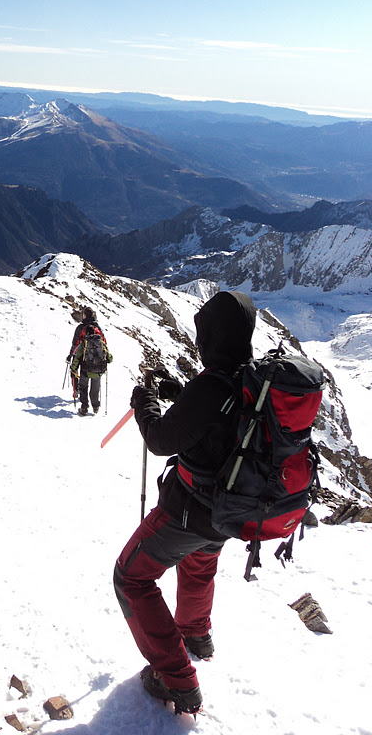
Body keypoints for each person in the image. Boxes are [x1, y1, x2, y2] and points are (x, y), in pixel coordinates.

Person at [113, 290, 256, 714]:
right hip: (228, 511)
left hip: (189, 508)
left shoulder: (215, 384)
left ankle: (176, 680)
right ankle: (195, 635)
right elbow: (216, 422)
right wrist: (183, 393)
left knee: (131, 578)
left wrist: (145, 404)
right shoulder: (249, 376)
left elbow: (160, 439)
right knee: (199, 565)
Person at [67, 307, 112, 416]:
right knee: (95, 387)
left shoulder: (81, 328)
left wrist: (71, 355)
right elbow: (104, 343)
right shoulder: (98, 328)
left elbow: (75, 343)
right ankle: (95, 406)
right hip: (98, 364)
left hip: (84, 363)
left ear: (85, 315)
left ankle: (82, 404)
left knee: (83, 385)